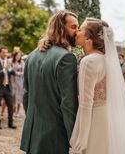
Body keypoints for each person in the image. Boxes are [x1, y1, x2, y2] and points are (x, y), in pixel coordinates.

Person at [70, 18, 125, 154]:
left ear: (88, 37)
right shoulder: (109, 61)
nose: (77, 32)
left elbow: (86, 104)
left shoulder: (88, 61)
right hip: (109, 118)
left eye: (80, 29)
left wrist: (81, 138)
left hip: (94, 122)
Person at [20, 10, 79, 154]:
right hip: (54, 136)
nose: (77, 32)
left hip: (32, 133)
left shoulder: (32, 56)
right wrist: (74, 138)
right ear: (61, 28)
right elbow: (68, 103)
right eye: (73, 27)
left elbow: (26, 95)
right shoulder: (67, 58)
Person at [0, 46, 16, 129]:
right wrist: (4, 70)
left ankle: (10, 123)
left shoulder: (9, 62)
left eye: (6, 52)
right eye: (3, 52)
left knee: (10, 105)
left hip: (7, 87)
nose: (5, 54)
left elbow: (13, 73)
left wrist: (10, 68)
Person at [9, 51, 25, 116]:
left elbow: (23, 72)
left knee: (19, 97)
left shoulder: (22, 63)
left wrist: (17, 73)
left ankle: (17, 112)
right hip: (12, 81)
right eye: (17, 56)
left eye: (19, 56)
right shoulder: (11, 62)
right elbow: (9, 70)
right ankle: (13, 109)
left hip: (20, 82)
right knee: (13, 96)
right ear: (14, 56)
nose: (18, 57)